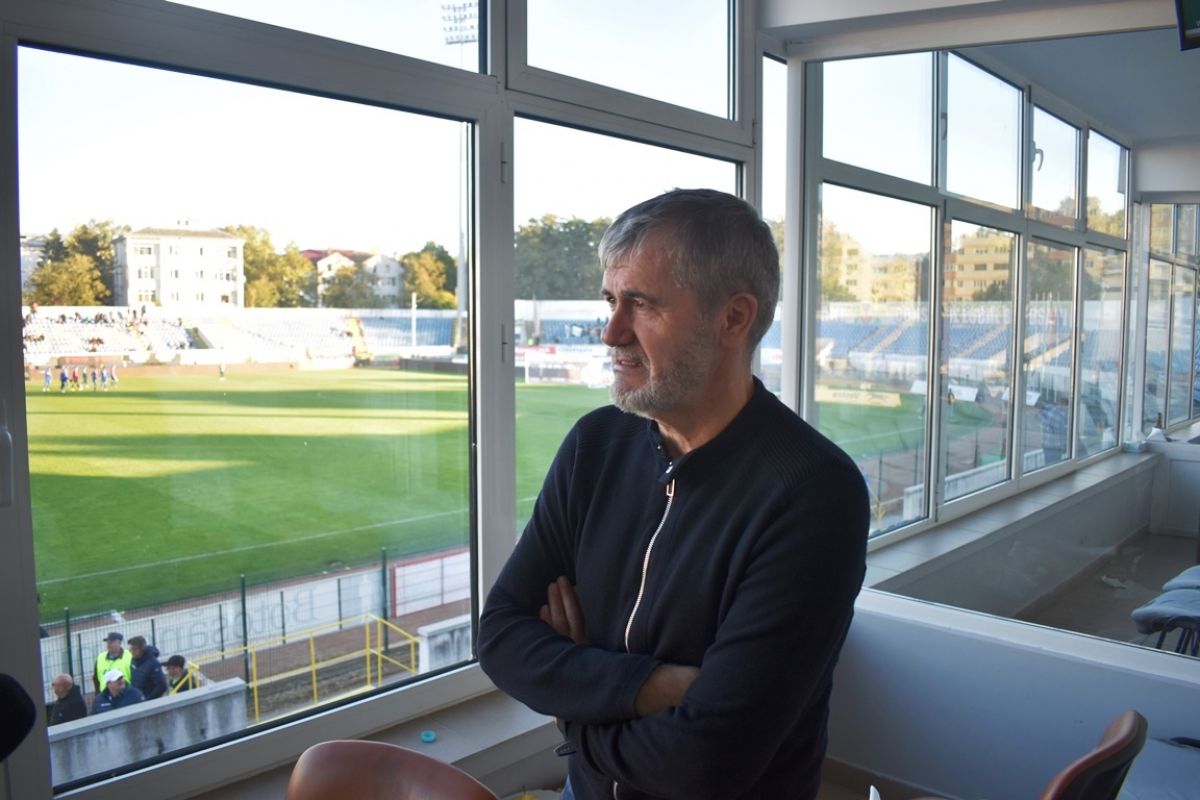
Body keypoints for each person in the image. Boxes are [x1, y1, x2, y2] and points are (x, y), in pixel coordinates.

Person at [478, 189, 869, 800]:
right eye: (611, 300)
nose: (611, 332)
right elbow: (502, 636)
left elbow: (704, 765)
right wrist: (648, 686)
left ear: (733, 318)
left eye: (641, 304)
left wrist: (572, 708)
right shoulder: (595, 445)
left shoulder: (813, 493)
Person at [127, 635, 167, 700]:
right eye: (130, 649)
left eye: (134, 649)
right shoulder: (133, 661)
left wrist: (149, 699)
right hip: (138, 699)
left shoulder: (153, 663)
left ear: (142, 649)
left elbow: (161, 685)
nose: (132, 652)